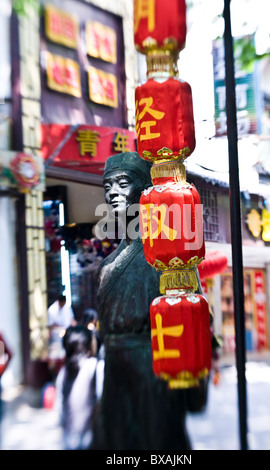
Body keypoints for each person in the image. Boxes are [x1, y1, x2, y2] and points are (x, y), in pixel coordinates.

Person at [92, 151, 209, 451]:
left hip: (155, 374)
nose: (113, 193)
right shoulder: (108, 265)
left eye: (122, 183)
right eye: (107, 187)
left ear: (145, 190)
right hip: (116, 375)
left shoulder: (169, 257)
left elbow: (193, 318)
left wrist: (194, 379)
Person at [55, 325, 103, 450]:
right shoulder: (95, 366)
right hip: (89, 436)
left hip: (68, 437)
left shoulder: (64, 371)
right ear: (87, 345)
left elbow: (59, 408)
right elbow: (100, 397)